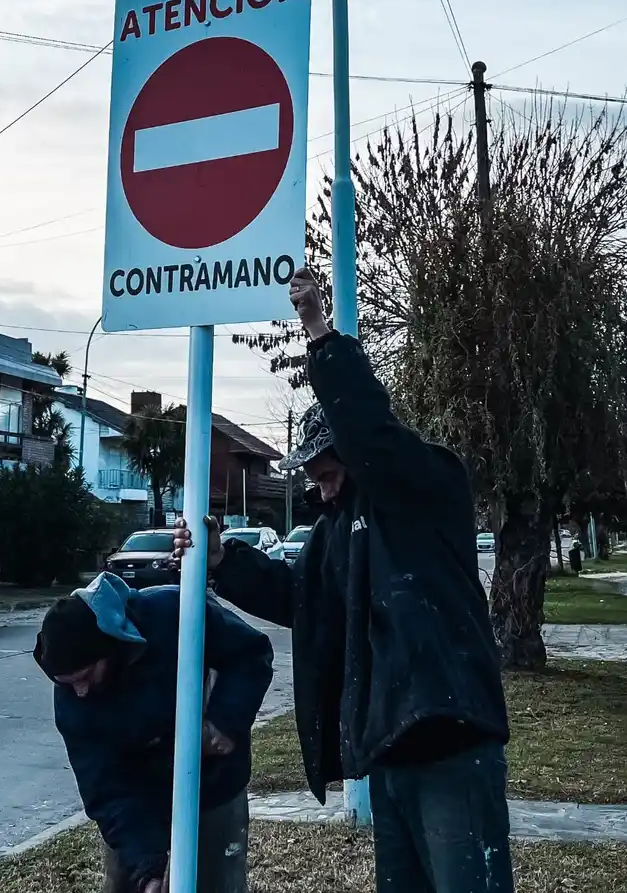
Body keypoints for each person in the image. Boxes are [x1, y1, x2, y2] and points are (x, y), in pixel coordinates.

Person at [175, 267, 513, 893]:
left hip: (450, 737)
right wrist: (223, 563)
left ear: (355, 456)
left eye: (328, 468)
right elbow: (299, 597)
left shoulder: (423, 485)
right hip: (388, 749)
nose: (317, 483)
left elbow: (370, 434)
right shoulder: (335, 532)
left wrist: (320, 334)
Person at [34, 573, 274, 893]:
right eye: (67, 683)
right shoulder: (72, 699)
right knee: (133, 881)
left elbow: (250, 653)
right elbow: (105, 787)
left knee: (218, 882)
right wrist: (147, 867)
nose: (79, 691)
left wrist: (225, 721)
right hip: (138, 793)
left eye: (85, 676)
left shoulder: (172, 613)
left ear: (110, 647)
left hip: (212, 780)